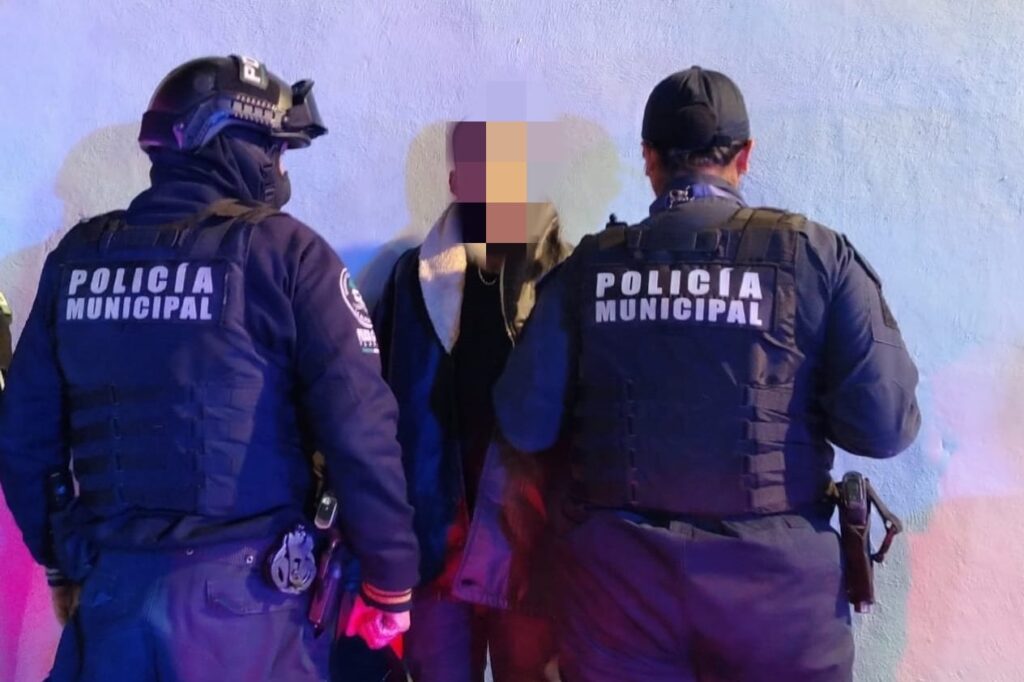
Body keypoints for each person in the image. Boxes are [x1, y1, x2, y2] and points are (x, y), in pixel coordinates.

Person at [493, 66, 921, 682]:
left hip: (620, 597)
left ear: (649, 158)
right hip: (779, 603)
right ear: (744, 156)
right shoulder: (816, 257)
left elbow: (524, 424)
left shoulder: (589, 269)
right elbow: (883, 428)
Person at [0, 55, 418, 681]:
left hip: (112, 593)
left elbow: (24, 436)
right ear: (233, 143)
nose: (281, 169)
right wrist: (391, 577)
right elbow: (360, 429)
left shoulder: (77, 260)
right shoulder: (288, 254)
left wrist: (62, 559)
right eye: (276, 150)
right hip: (249, 609)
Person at [368, 120, 570, 681]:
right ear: (456, 180)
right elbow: (378, 412)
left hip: (530, 549)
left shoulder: (565, 276)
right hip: (437, 549)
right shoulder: (410, 279)